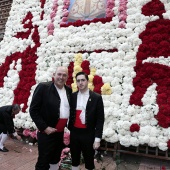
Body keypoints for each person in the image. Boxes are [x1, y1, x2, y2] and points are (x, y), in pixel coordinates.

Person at [29, 66, 72, 170]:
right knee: (43, 161)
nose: (61, 77)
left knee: (56, 159)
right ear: (54, 75)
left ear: (67, 77)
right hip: (46, 132)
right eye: (59, 74)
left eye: (64, 75)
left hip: (60, 132)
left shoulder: (68, 90)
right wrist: (44, 127)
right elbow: (33, 110)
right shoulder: (43, 87)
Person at [68, 72, 105, 170]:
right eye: (78, 80)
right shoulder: (73, 96)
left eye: (83, 80)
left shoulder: (96, 97)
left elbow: (100, 120)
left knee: (89, 161)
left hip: (88, 134)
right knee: (74, 160)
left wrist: (97, 139)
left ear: (87, 81)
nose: (80, 83)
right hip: (74, 133)